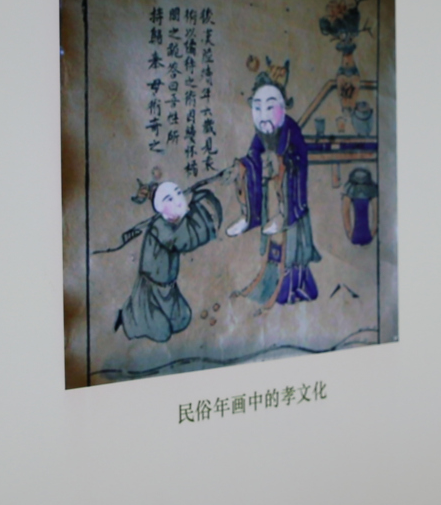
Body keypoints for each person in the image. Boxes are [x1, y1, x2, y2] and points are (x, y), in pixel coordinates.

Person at [226, 80, 321, 306]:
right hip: (272, 196)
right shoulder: (261, 133)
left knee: (290, 251)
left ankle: (290, 287)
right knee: (272, 248)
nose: (263, 115)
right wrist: (243, 167)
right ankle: (248, 215)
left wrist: (279, 169)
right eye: (258, 108)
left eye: (270, 107)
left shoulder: (289, 129)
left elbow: (288, 160)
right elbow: (253, 157)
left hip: (290, 197)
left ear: (282, 106)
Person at [115, 180, 224, 342]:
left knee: (183, 318)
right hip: (150, 292)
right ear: (160, 207)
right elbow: (185, 239)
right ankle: (128, 317)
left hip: (169, 289)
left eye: (179, 194)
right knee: (162, 332)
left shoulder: (173, 223)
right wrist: (198, 208)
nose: (178, 200)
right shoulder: (160, 227)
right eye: (170, 199)